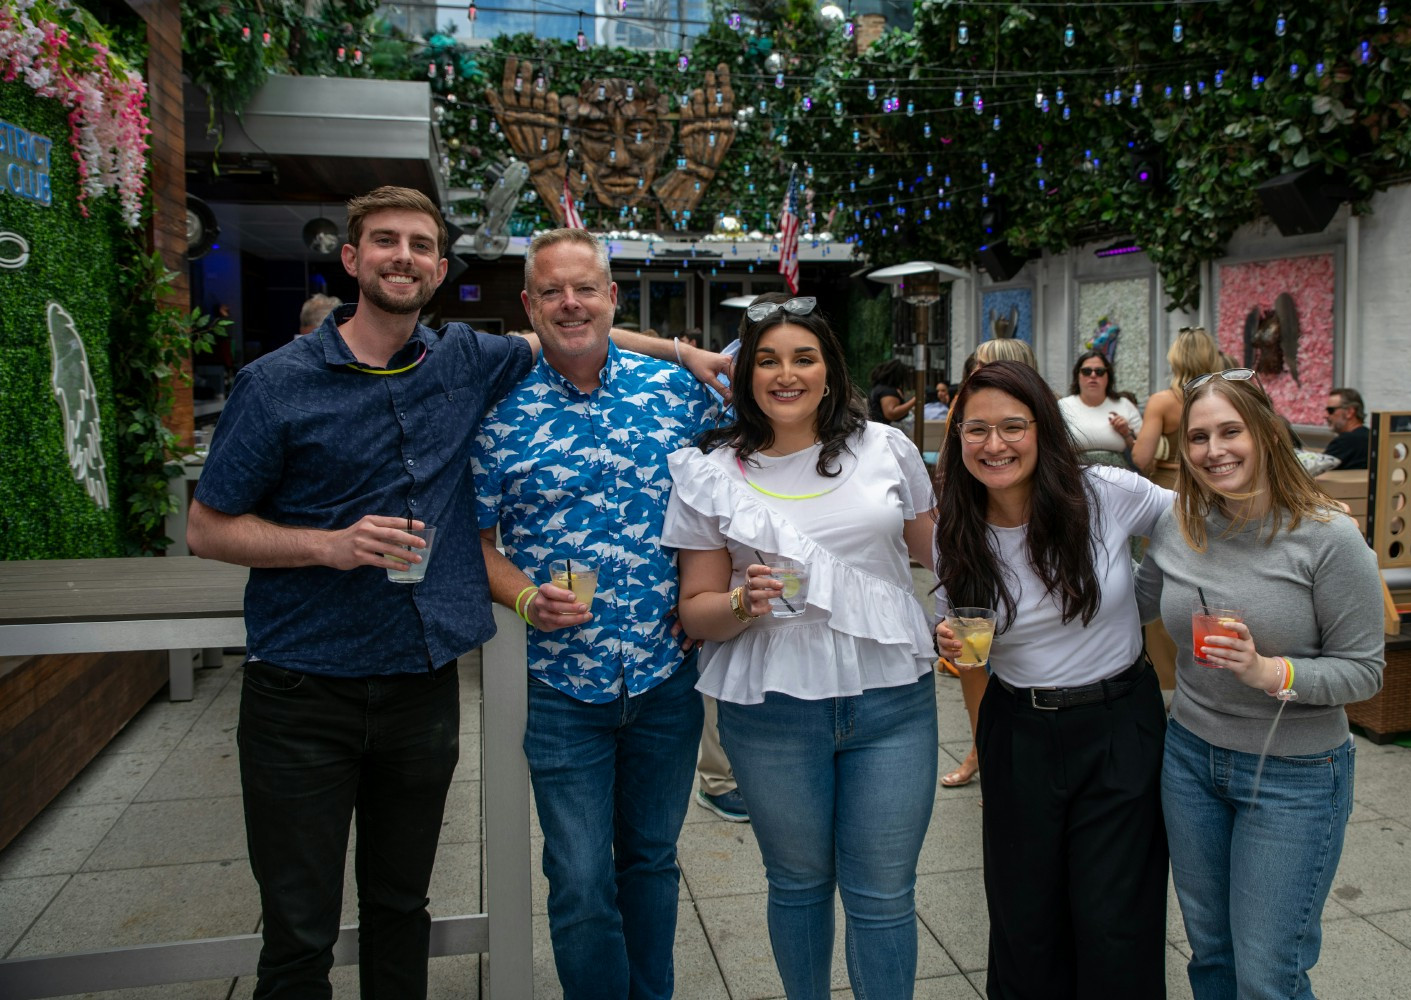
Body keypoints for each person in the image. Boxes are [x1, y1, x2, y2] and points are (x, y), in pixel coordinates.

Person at [188, 188, 724, 998]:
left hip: (506, 678)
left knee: (421, 901)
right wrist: (338, 550)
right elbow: (210, 527)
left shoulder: (633, 387)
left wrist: (687, 356)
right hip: (353, 681)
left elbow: (728, 491)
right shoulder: (425, 390)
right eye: (384, 242)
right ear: (352, 258)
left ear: (439, 267)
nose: (568, 304)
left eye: (419, 245)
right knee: (310, 924)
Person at [470, 228, 728, 1000]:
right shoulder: (498, 408)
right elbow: (473, 539)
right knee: (579, 876)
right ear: (529, 305)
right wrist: (520, 594)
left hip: (663, 676)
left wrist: (704, 594)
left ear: (613, 297)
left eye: (585, 288)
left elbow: (731, 498)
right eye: (552, 291)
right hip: (559, 687)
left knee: (650, 859)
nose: (570, 303)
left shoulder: (675, 393)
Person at [665, 292, 939, 1000]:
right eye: (768, 360)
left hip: (892, 705)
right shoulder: (710, 472)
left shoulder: (887, 448)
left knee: (883, 896)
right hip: (773, 712)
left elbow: (949, 556)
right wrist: (739, 602)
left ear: (830, 370)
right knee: (798, 886)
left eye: (804, 358)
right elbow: (696, 613)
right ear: (745, 374)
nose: (787, 375)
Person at [1136, 369, 1384, 1000]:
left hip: (1295, 775)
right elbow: (1122, 606)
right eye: (1197, 437)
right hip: (1190, 761)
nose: (1213, 450)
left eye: (1230, 431)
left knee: (1268, 972)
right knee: (1212, 955)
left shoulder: (1329, 537)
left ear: (1269, 433)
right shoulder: (1178, 523)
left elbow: (1364, 670)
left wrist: (1269, 671)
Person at [933, 360, 1173, 1000]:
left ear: (1043, 428)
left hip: (1120, 722)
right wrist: (949, 642)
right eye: (976, 430)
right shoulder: (955, 529)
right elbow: (958, 632)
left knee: (1116, 919)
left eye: (1013, 426)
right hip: (1020, 731)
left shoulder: (1106, 493)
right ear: (958, 440)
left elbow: (1199, 525)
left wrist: (1304, 517)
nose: (995, 444)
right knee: (1024, 920)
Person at [940, 338, 1044, 790]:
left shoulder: (1036, 424)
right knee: (971, 656)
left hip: (1028, 548)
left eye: (994, 370)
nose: (981, 380)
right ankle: (983, 747)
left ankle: (1010, 754)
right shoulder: (961, 417)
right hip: (971, 539)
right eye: (975, 370)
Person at [1132, 326, 1220, 488]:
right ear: (1213, 358)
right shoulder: (1224, 400)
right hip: (1211, 484)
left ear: (1175, 359)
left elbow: (1141, 458)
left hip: (1171, 487)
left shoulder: (1162, 402)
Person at [1058, 350, 1142, 468]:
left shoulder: (1125, 405)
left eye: (1099, 371)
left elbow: (1144, 455)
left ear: (1109, 376)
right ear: (1078, 375)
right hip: (1075, 475)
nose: (1093, 375)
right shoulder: (1062, 406)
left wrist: (1126, 432)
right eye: (1086, 371)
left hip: (1119, 477)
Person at [1324, 387, 1370, 469]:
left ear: (1349, 412)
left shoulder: (1345, 441)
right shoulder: (1373, 438)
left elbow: (1318, 469)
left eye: (1331, 410)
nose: (1326, 415)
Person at [867, 359, 918, 426]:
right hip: (885, 429)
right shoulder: (887, 391)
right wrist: (915, 400)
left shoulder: (881, 388)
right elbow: (891, 413)